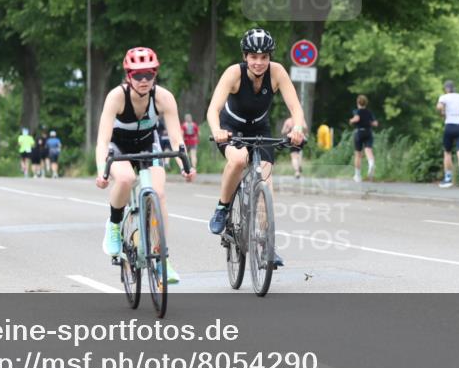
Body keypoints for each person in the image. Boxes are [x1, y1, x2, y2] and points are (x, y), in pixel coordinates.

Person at [207, 29, 306, 268]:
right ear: (245, 56)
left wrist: (298, 129)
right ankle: (222, 207)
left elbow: (296, 109)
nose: (259, 62)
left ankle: (266, 247)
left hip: (260, 130)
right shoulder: (233, 73)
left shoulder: (277, 72)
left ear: (270, 57)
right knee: (239, 160)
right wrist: (217, 131)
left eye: (264, 57)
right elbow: (213, 109)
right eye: (253, 57)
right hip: (232, 129)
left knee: (266, 185)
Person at [96, 47, 195, 284]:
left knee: (159, 194)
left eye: (148, 75)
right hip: (118, 147)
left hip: (149, 145)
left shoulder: (163, 97)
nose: (143, 81)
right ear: (128, 76)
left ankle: (162, 258)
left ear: (155, 74)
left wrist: (185, 164)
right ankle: (114, 224)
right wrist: (102, 170)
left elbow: (175, 138)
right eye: (137, 75)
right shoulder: (116, 97)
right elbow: (102, 140)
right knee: (125, 179)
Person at [437, 80, 459, 188]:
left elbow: (439, 107)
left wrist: (443, 112)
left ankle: (448, 178)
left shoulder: (444, 97)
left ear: (446, 89)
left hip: (449, 126)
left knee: (447, 152)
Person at [350, 95, 378, 182]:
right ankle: (371, 163)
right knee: (368, 150)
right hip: (368, 132)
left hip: (359, 132)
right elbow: (375, 123)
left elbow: (357, 119)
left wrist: (351, 121)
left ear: (358, 102)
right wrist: (368, 122)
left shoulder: (357, 111)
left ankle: (357, 176)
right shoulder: (369, 112)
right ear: (366, 103)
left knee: (358, 154)